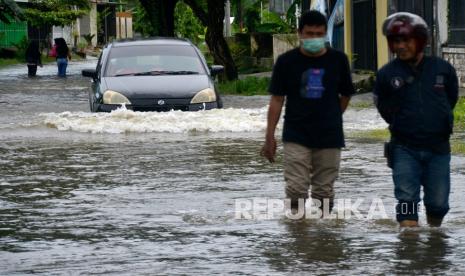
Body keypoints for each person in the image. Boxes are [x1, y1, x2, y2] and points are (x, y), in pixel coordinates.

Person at [260, 10, 355, 216]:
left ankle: (324, 240)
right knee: (295, 190)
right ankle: (298, 236)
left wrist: (332, 116)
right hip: (296, 134)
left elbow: (346, 94)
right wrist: (269, 137)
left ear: (325, 34)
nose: (314, 38)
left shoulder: (338, 60)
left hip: (330, 135)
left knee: (324, 192)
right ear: (300, 34)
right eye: (309, 34)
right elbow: (277, 100)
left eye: (319, 34)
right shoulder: (286, 62)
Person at [374, 12, 459, 227]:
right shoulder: (386, 74)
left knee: (438, 205)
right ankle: (408, 248)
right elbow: (383, 107)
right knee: (406, 201)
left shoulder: (443, 69)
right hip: (404, 148)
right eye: (396, 41)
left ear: (420, 40)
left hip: (438, 149)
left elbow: (451, 99)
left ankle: (434, 244)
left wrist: (436, 120)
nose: (401, 46)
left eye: (406, 40)